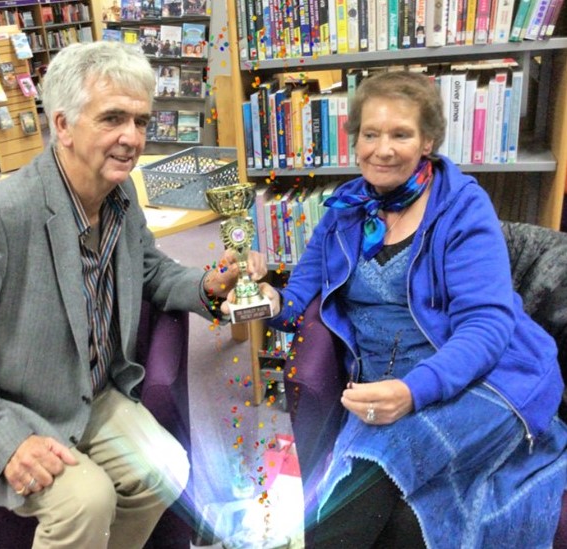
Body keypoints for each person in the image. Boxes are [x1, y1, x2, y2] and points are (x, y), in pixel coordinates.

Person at [0, 41, 266, 549]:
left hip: (91, 392)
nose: (132, 138)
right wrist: (5, 442)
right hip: (9, 406)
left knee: (166, 468)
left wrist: (206, 286)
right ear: (63, 125)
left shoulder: (120, 194)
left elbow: (148, 269)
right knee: (85, 501)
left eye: (140, 121)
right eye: (112, 118)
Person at [241, 70, 567, 547]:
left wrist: (414, 391)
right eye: (370, 134)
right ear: (355, 140)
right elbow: (294, 304)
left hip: (483, 381)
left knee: (358, 496)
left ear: (428, 141)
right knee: (378, 514)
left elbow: (486, 326)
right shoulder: (343, 212)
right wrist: (261, 296)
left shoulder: (462, 207)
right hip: (384, 391)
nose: (383, 149)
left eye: (401, 134)